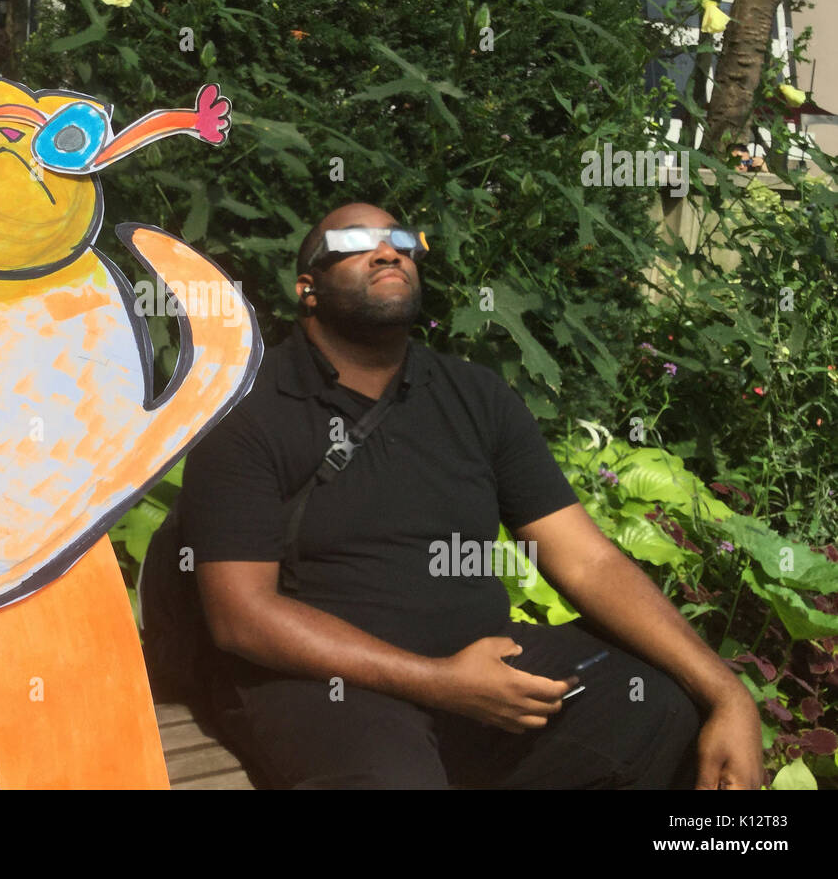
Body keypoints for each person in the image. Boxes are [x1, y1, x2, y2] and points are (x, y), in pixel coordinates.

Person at [178, 201, 764, 789]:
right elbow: (242, 617)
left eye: (404, 243)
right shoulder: (248, 409)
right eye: (357, 242)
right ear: (309, 288)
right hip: (325, 684)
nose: (390, 252)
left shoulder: (476, 396)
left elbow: (588, 560)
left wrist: (727, 693)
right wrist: (438, 681)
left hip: (483, 665)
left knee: (654, 710)